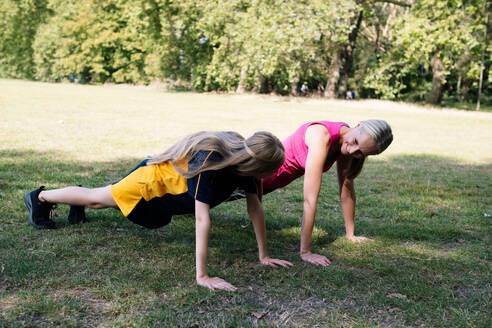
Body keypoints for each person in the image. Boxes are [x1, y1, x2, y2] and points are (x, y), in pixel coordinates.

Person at [24, 131, 293, 291]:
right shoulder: (212, 161)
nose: (275, 174)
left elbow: (255, 208)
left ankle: (77, 200)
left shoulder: (245, 168)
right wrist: (202, 276)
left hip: (165, 195)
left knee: (101, 197)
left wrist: (264, 255)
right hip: (150, 184)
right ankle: (40, 197)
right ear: (257, 163)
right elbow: (202, 219)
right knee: (97, 199)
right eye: (274, 168)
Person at [261, 120, 393, 266]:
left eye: (360, 153)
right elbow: (310, 199)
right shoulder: (321, 136)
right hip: (257, 177)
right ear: (358, 125)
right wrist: (305, 252)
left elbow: (346, 188)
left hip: (266, 186)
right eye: (355, 142)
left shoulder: (345, 142)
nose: (352, 151)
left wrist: (351, 234)